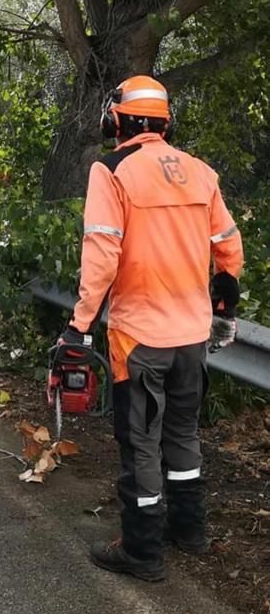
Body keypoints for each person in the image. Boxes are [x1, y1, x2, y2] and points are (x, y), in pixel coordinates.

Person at [52, 75, 244, 582]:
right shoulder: (200, 172)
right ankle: (190, 530)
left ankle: (141, 551)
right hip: (192, 333)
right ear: (164, 121)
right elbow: (227, 243)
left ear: (116, 119)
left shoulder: (112, 171)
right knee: (182, 434)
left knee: (139, 442)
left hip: (140, 336)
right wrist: (225, 292)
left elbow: (102, 252)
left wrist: (80, 324)